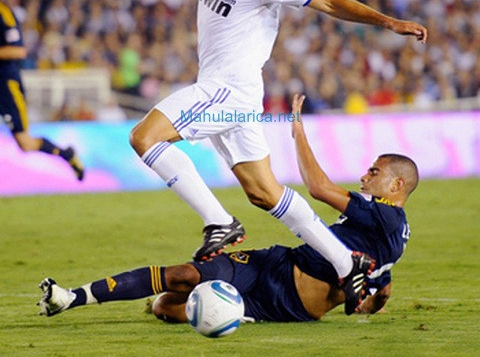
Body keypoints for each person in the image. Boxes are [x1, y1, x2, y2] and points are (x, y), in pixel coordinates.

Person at [129, 0, 427, 310]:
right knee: (265, 194)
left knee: (144, 138)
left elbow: (328, 1)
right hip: (237, 95)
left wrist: (388, 22)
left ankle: (219, 221)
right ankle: (347, 263)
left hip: (227, 89)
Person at [37, 94, 419, 321]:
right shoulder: (393, 236)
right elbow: (379, 291)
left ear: (397, 185)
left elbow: (318, 188)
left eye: (375, 171)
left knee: (167, 309)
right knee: (181, 279)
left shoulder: (384, 213)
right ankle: (71, 297)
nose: (365, 175)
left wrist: (298, 133)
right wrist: (372, 304)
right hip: (276, 264)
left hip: (283, 305)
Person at [0, 0, 84, 181]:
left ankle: (66, 154)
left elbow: (18, 50)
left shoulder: (4, 13)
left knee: (25, 143)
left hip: (5, 84)